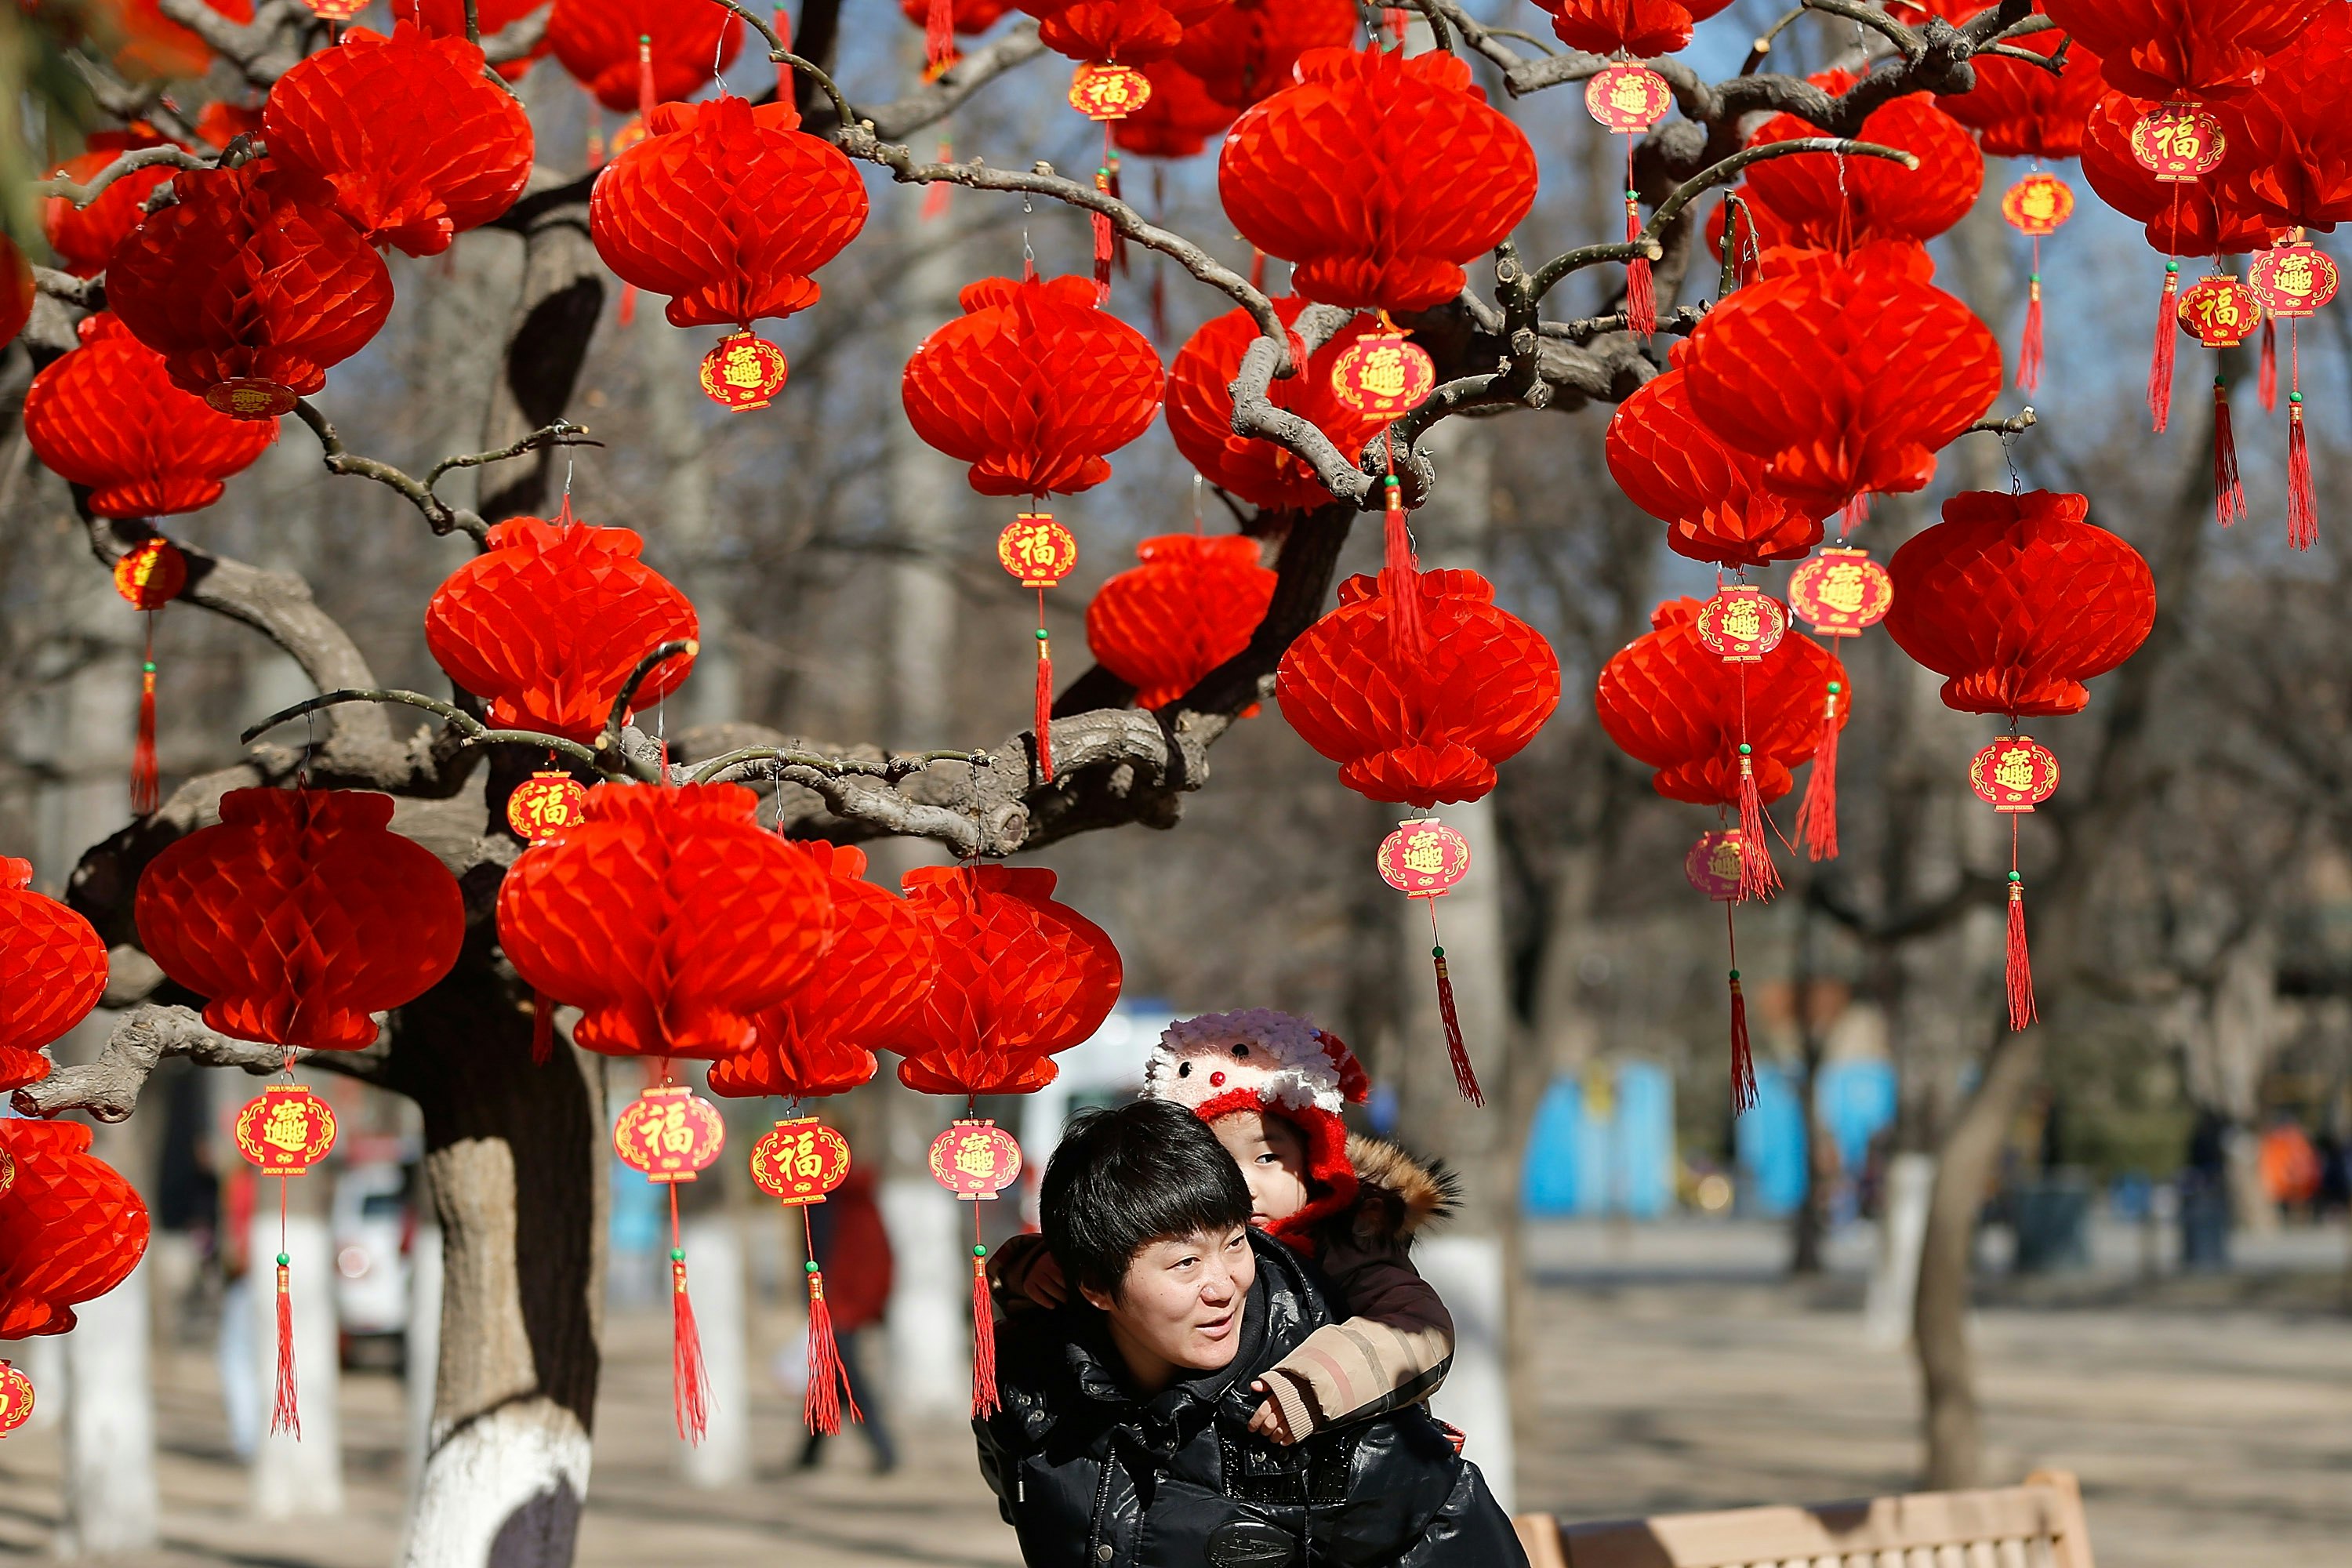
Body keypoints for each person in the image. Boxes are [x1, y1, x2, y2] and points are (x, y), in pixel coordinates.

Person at [975, 1097, 1526, 1568]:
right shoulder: (1027, 1386)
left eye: (1235, 1243)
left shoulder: (1332, 1427)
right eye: (1186, 1263)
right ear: (1094, 1285)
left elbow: (1453, 1530)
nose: (1224, 1285)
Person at [996, 1009, 1457, 1444]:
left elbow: (1416, 1331)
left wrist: (1316, 1385)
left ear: (1315, 1162)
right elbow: (1097, 1265)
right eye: (1219, 1161)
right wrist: (1034, 1268)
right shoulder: (1153, 1241)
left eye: (1267, 1158)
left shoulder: (1348, 1245)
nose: (1244, 1187)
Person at [797, 1165, 897, 1472]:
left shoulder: (849, 1200)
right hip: (836, 1300)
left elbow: (865, 1258)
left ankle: (884, 1449)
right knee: (830, 1372)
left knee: (844, 1371)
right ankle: (810, 1452)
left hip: (842, 1303)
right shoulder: (836, 1199)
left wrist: (847, 1304)